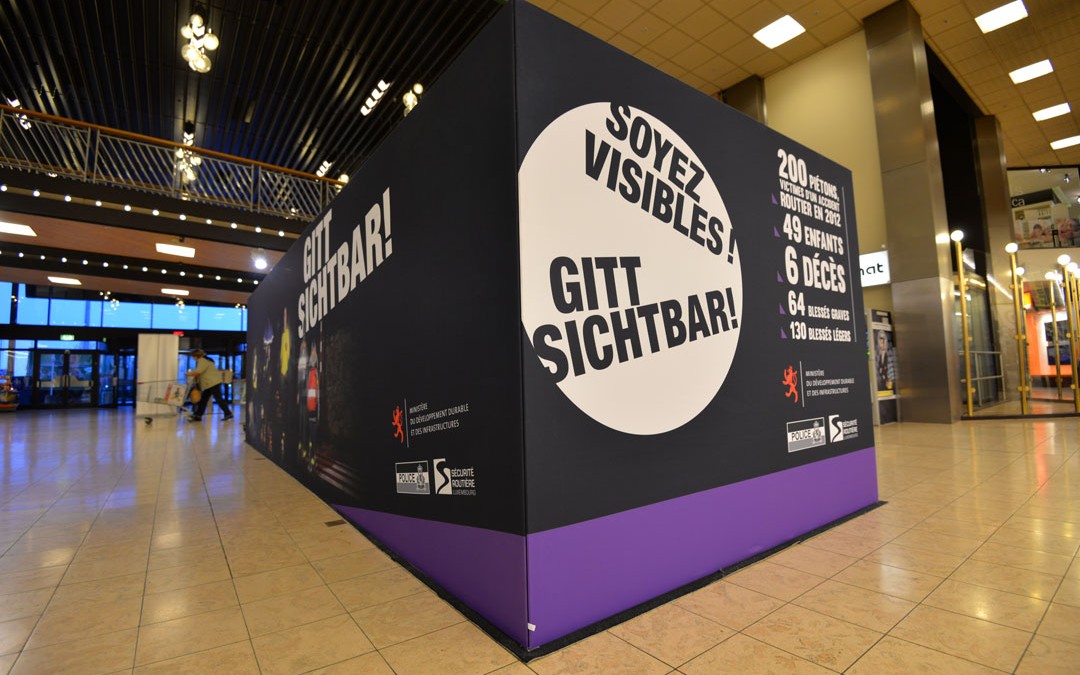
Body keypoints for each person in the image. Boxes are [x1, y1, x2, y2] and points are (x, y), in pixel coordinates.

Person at [186, 349, 233, 421]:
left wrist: (188, 373)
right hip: (211, 383)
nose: (193, 358)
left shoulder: (202, 360)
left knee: (218, 398)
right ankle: (198, 415)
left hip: (212, 383)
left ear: (196, 356)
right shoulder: (207, 360)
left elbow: (199, 371)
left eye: (193, 356)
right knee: (204, 399)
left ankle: (228, 413)